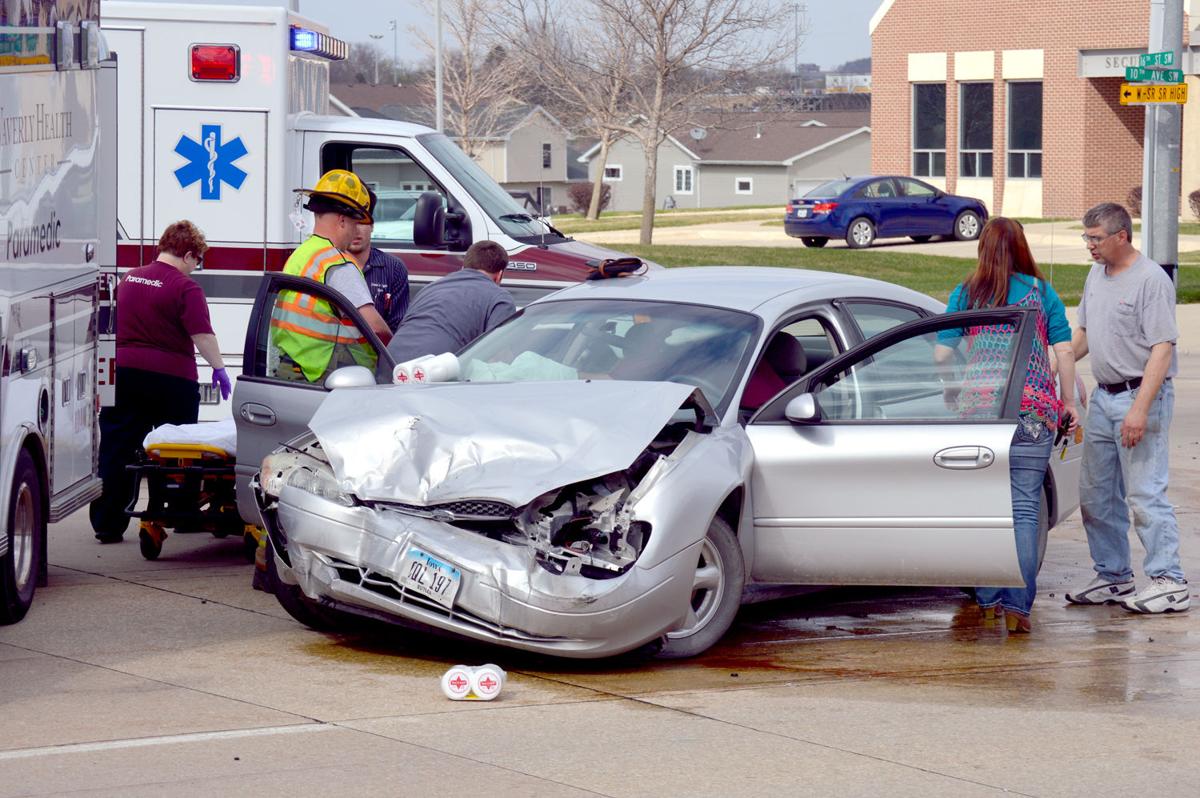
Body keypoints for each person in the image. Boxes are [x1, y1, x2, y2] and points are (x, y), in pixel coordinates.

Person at [934, 217, 1078, 632]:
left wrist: (953, 389)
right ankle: (1018, 609)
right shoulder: (1041, 292)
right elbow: (1065, 352)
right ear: (1021, 247)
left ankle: (987, 601)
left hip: (981, 414)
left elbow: (942, 355)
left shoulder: (966, 293)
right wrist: (1068, 402)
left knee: (984, 508)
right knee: (1025, 509)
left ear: (982, 248)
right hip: (1032, 411)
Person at [1065, 202, 1187, 614]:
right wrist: (1056, 366)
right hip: (1103, 398)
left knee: (1145, 493)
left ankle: (1170, 581)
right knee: (1096, 495)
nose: (1090, 245)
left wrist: (1139, 410)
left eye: (1096, 238)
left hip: (1141, 397)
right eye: (1086, 237)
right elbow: (1084, 335)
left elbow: (1162, 349)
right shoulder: (1096, 274)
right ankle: (1114, 576)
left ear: (1121, 236)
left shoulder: (1150, 280)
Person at [89, 221, 230, 543]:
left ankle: (107, 524)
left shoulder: (129, 279)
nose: (195, 267)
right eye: (197, 260)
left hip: (124, 374)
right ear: (189, 254)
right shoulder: (185, 288)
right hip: (171, 380)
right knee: (176, 450)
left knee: (116, 449)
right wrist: (219, 368)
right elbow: (202, 335)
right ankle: (178, 513)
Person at [274, 169, 392, 382]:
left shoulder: (302, 255)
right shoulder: (337, 264)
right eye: (356, 223)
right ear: (342, 220)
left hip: (292, 368)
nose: (356, 231)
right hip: (329, 376)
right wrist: (396, 356)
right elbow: (375, 327)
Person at [387, 240, 516, 363]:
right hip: (434, 370)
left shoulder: (430, 288)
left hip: (390, 363)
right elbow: (497, 355)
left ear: (463, 267)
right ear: (499, 275)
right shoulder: (500, 298)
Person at [346, 187, 411, 332]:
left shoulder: (394, 268)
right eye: (350, 222)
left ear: (372, 225)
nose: (356, 230)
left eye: (362, 221)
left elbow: (398, 327)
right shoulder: (330, 265)